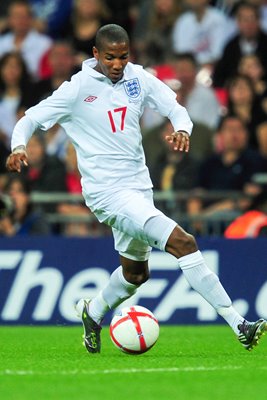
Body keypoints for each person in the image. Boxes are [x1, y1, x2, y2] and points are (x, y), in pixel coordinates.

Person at [6, 24, 267, 354]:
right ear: (96, 55)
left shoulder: (137, 77)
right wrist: (18, 146)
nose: (118, 64)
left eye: (124, 56)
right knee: (183, 242)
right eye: (111, 57)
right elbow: (29, 119)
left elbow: (174, 108)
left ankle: (94, 313)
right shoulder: (76, 89)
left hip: (139, 188)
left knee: (135, 274)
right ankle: (239, 323)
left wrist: (183, 128)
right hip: (107, 193)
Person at [0, 0, 52, 80]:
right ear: (9, 19)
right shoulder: (1, 42)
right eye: (17, 16)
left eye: (24, 16)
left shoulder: (45, 44)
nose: (20, 20)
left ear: (31, 19)